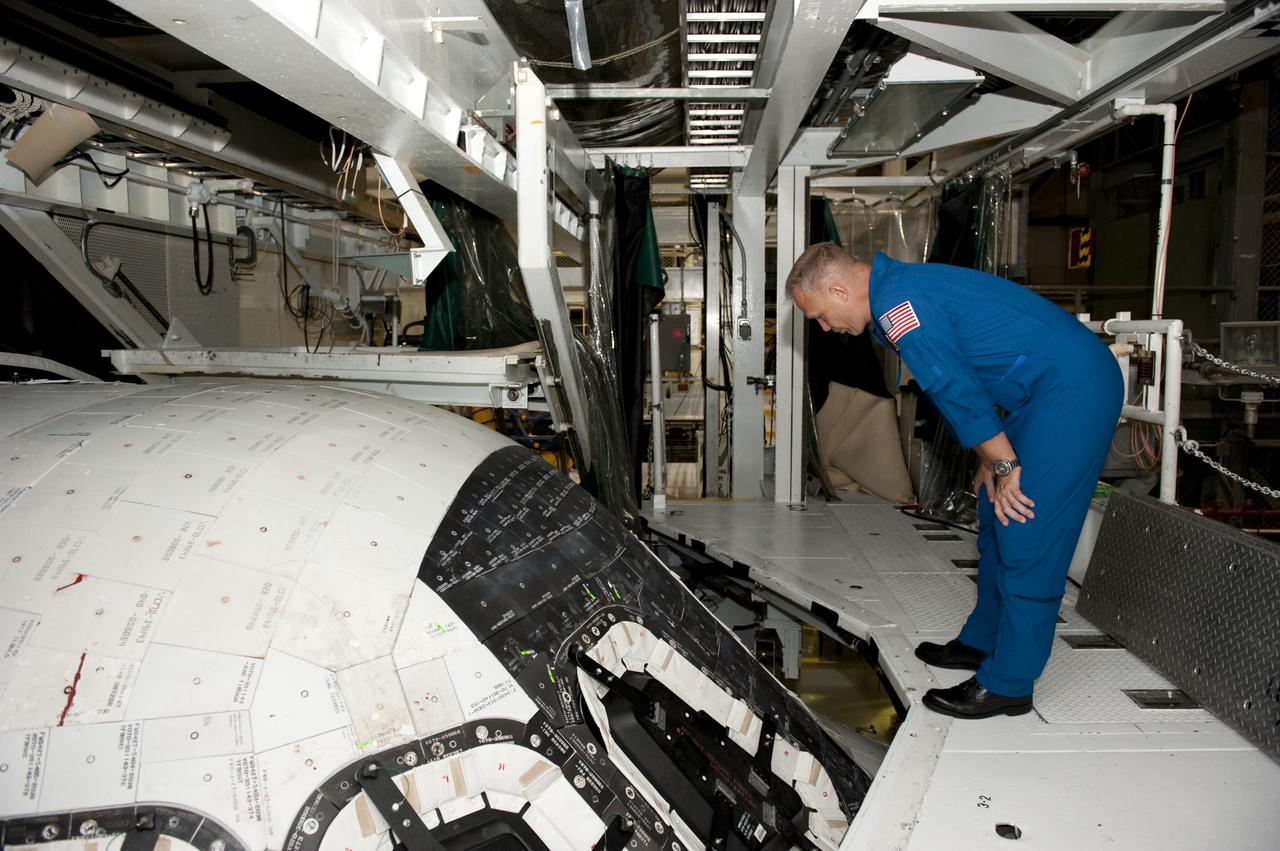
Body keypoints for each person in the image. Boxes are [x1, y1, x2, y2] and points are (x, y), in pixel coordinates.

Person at [785, 244, 1123, 719]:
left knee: (1026, 524)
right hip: (1032, 394)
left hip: (1072, 389)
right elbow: (975, 367)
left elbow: (955, 388)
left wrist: (1005, 463)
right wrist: (992, 454)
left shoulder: (902, 306)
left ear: (840, 290)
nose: (824, 327)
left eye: (820, 315)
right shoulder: (893, 297)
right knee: (992, 508)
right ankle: (982, 640)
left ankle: (1010, 683)